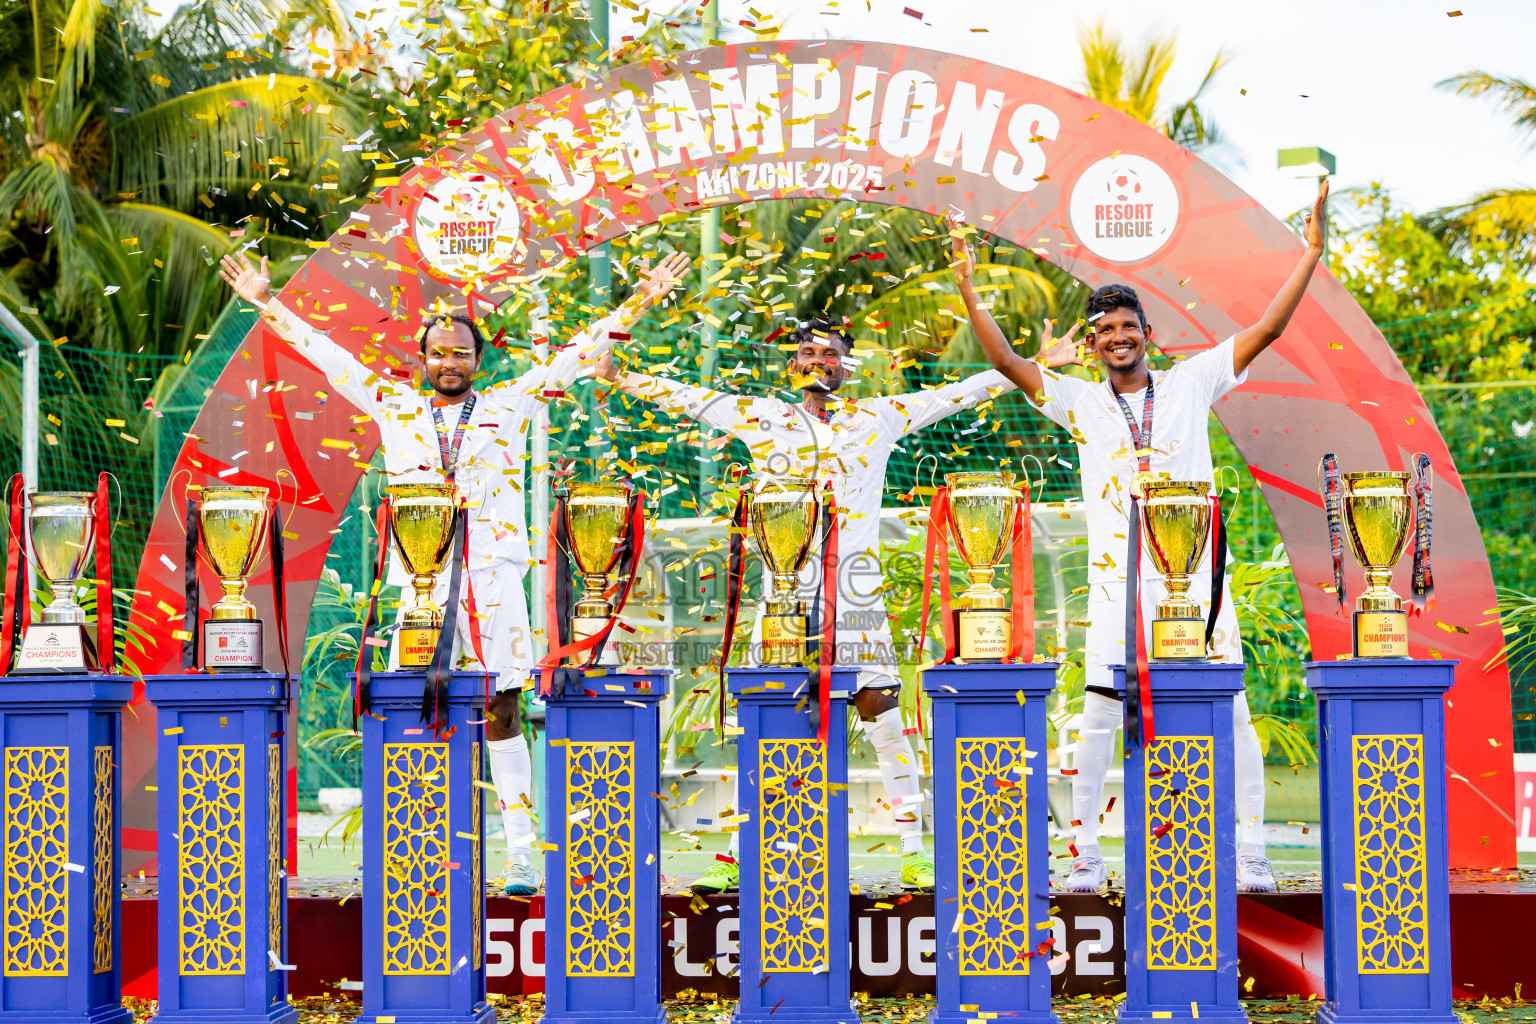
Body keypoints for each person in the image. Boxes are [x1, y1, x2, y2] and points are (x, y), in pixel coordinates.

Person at [219, 249, 690, 895]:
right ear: (423, 358)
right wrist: (265, 302)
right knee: (408, 704)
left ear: (477, 360)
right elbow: (330, 358)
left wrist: (642, 297)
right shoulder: (395, 405)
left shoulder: (512, 404)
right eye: (438, 352)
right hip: (421, 583)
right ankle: (406, 848)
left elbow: (576, 355)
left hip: (494, 580)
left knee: (502, 708)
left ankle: (523, 854)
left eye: (461, 353)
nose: (449, 362)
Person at [953, 179, 1330, 894]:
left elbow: (1270, 331)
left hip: (1199, 581)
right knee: (1100, 714)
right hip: (1115, 583)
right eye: (1104, 332)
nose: (1118, 339)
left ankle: (1251, 851)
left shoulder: (1191, 383)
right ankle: (1086, 854)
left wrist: (1309, 255)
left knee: (1235, 710)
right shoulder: (1078, 401)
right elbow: (1008, 364)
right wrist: (973, 292)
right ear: (1091, 345)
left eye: (1128, 328)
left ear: (1147, 335)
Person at [596, 316, 1016, 894]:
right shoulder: (760, 416)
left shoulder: (877, 417)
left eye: (832, 352)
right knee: (771, 720)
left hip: (855, 585)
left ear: (850, 365)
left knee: (883, 714)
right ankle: (745, 850)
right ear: (792, 365)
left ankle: (913, 851)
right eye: (808, 351)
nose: (819, 359)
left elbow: (956, 395)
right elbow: (690, 398)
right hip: (783, 592)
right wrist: (622, 378)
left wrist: (1033, 364)